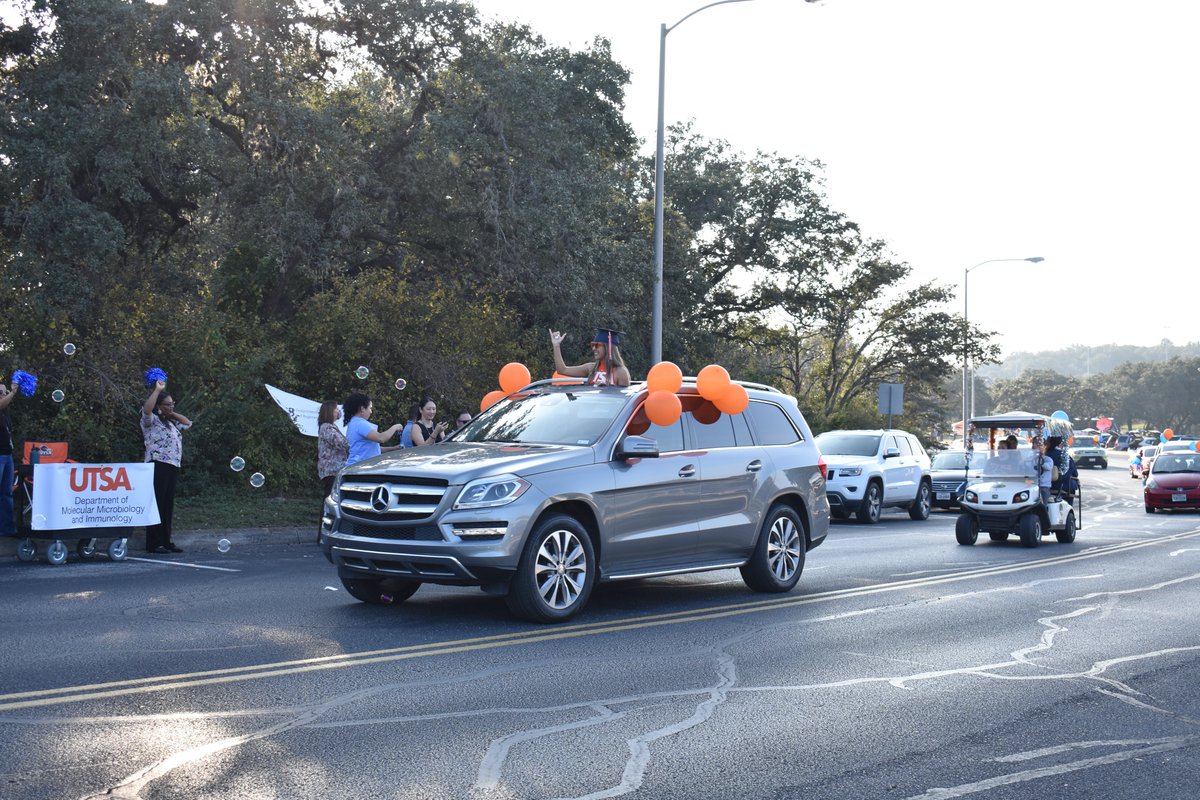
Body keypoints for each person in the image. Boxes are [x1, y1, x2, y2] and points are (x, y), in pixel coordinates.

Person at [141, 379, 192, 554]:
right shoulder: (152, 420)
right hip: (158, 464)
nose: (171, 407)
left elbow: (187, 423)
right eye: (168, 404)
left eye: (172, 404)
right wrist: (157, 391)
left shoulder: (170, 422)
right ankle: (154, 543)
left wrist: (171, 413)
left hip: (172, 464)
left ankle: (166, 540)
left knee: (167, 505)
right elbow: (147, 410)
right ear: (159, 405)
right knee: (157, 503)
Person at [550, 327, 631, 387]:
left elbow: (624, 401)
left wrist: (607, 389)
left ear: (608, 347)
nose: (593, 348)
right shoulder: (591, 368)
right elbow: (562, 370)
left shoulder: (620, 372)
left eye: (597, 345)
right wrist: (556, 346)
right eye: (593, 345)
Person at [316, 400, 348, 541]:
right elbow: (343, 444)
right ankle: (323, 535)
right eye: (336, 410)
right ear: (329, 412)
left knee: (329, 502)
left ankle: (324, 534)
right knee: (329, 503)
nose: (338, 412)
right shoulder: (327, 428)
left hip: (333, 471)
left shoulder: (330, 427)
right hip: (331, 471)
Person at [343, 393, 403, 466]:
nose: (371, 412)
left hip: (357, 466)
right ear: (362, 409)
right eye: (370, 408)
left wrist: (393, 449)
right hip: (361, 468)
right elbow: (381, 438)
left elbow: (371, 449)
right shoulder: (360, 424)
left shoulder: (354, 422)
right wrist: (395, 427)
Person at [0, 380, 19, 537]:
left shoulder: (5, 413)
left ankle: (7, 529)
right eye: (0, 393)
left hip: (7, 456)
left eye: (5, 392)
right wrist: (12, 392)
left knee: (6, 493)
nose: (3, 394)